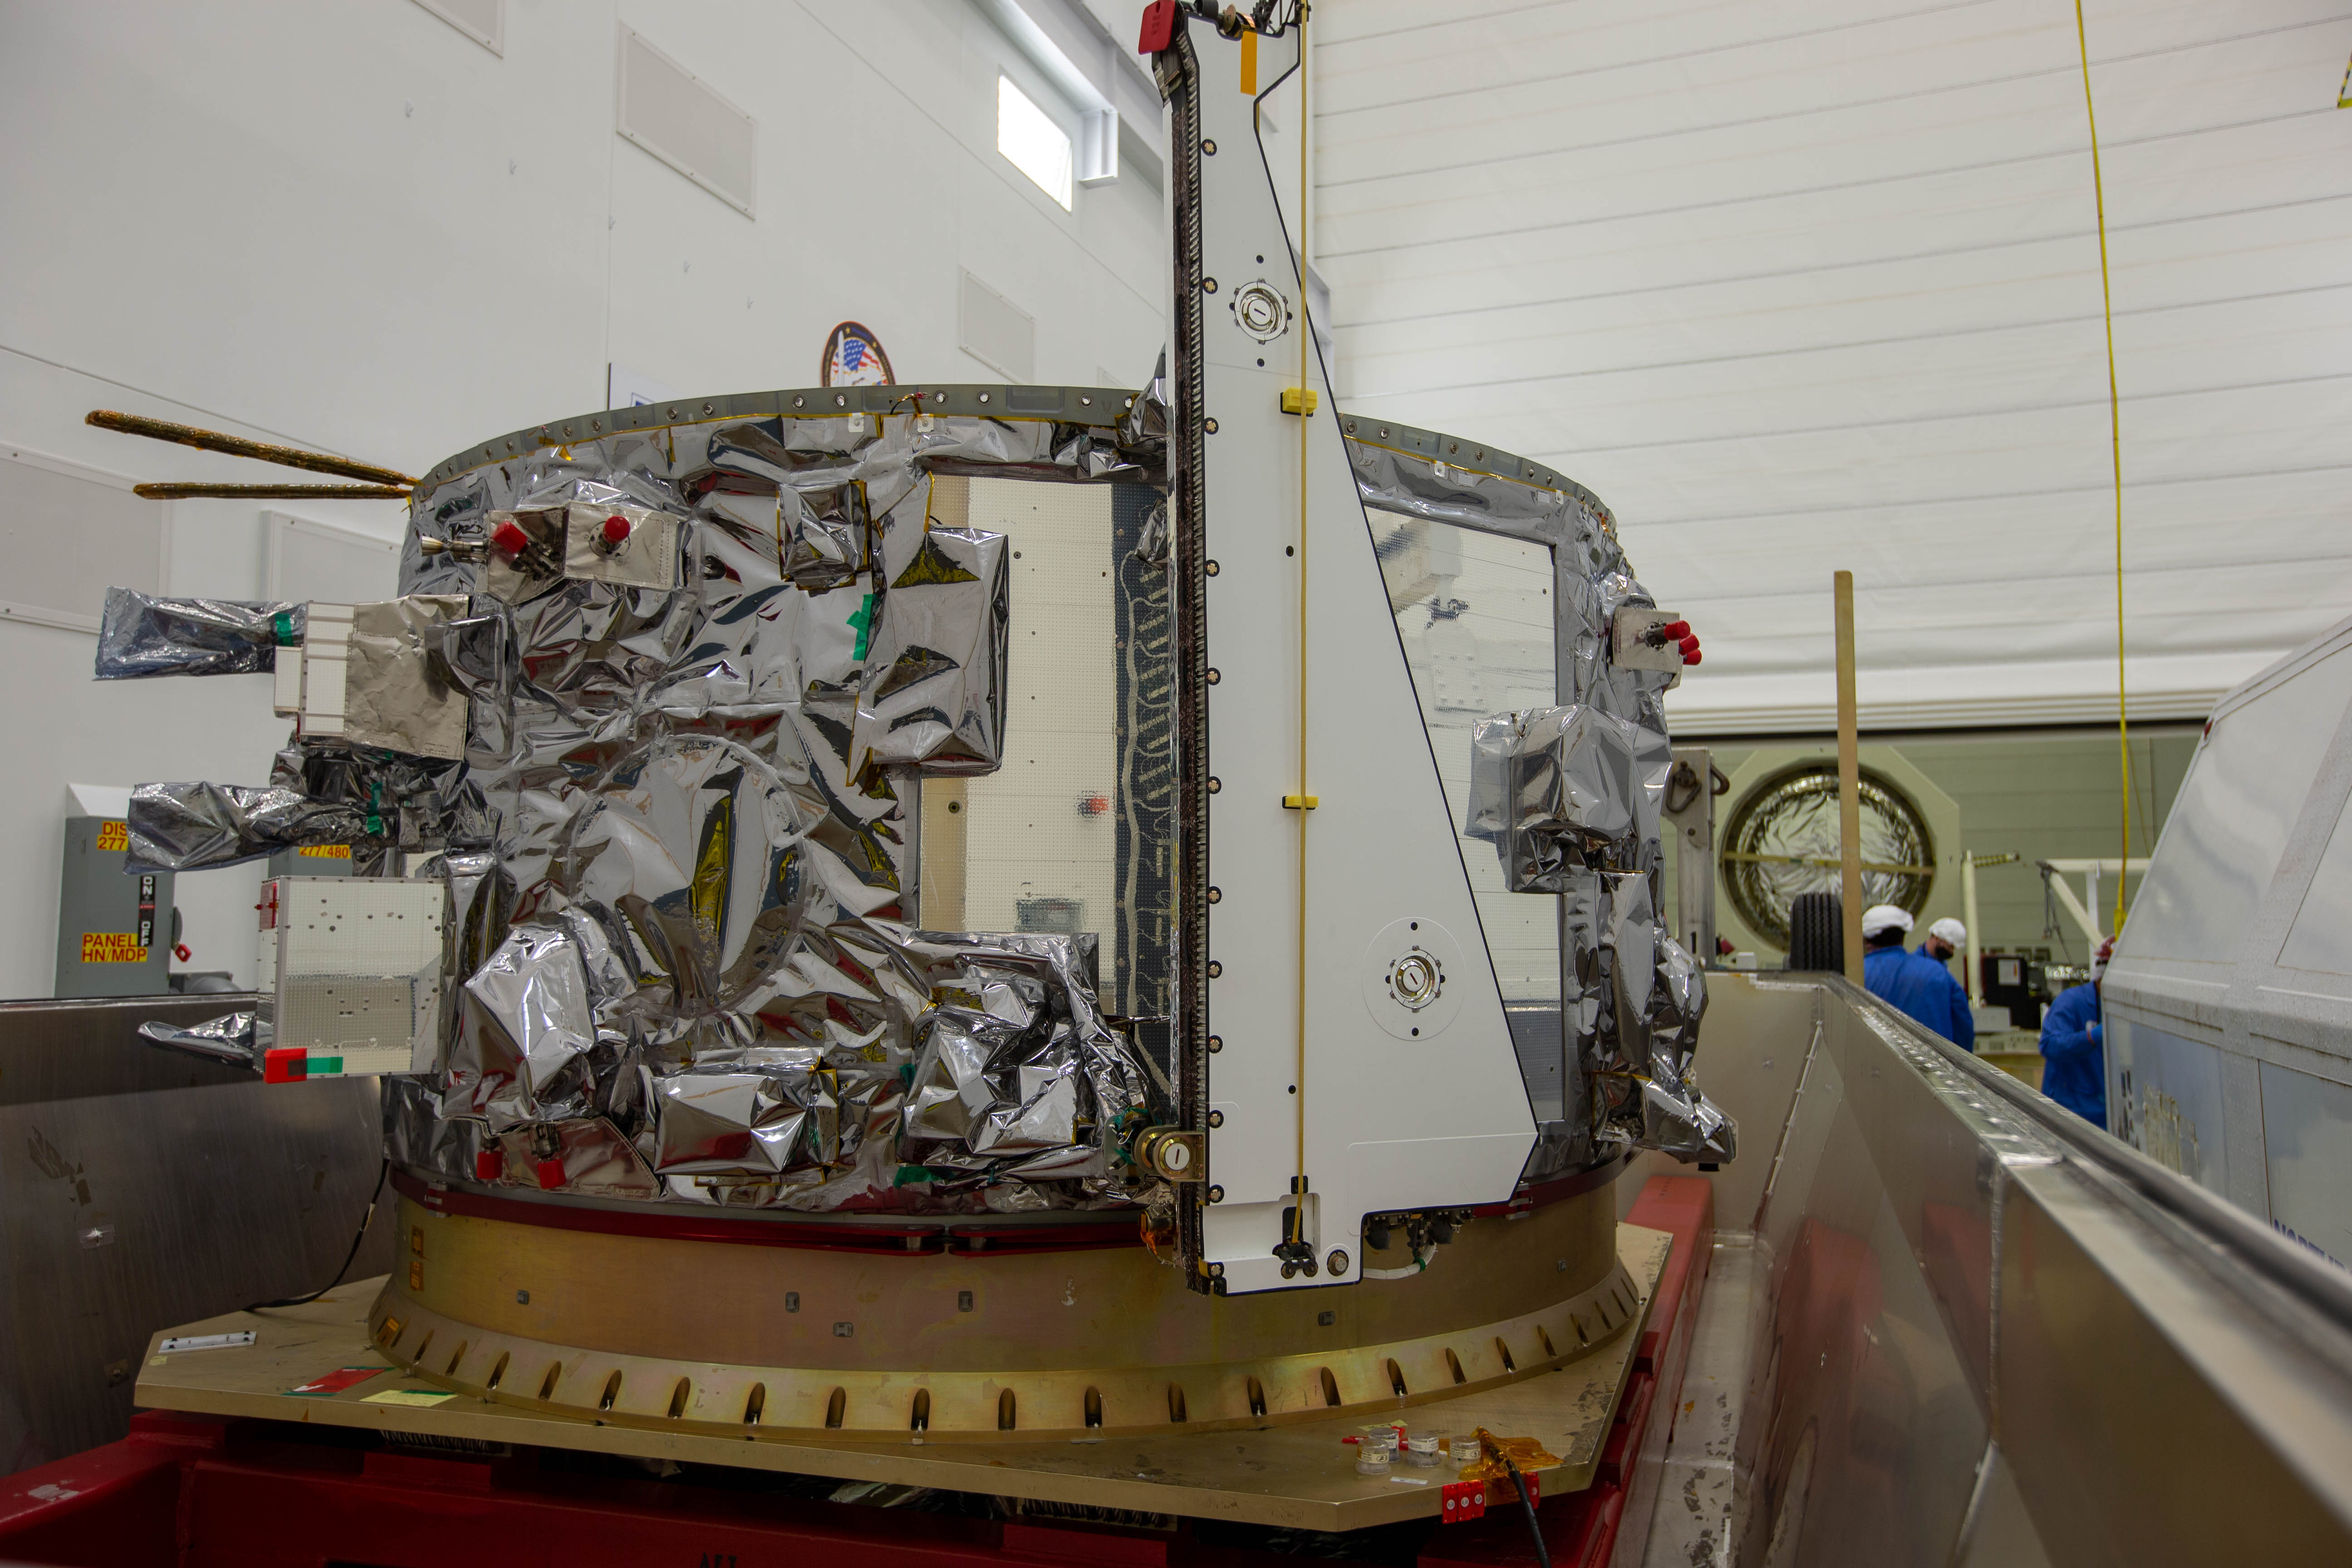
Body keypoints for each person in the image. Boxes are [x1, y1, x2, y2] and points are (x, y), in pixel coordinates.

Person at [1860, 904, 1974, 1048]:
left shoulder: (1855, 974)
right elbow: (1964, 1028)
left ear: (1867, 940)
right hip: (1930, 1068)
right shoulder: (1938, 974)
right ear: (1903, 935)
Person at [2039, 938, 2112, 1127]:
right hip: (2069, 1112)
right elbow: (2050, 1045)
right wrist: (2089, 1037)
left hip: (2105, 1114)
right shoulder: (2071, 1002)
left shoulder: (2117, 1008)